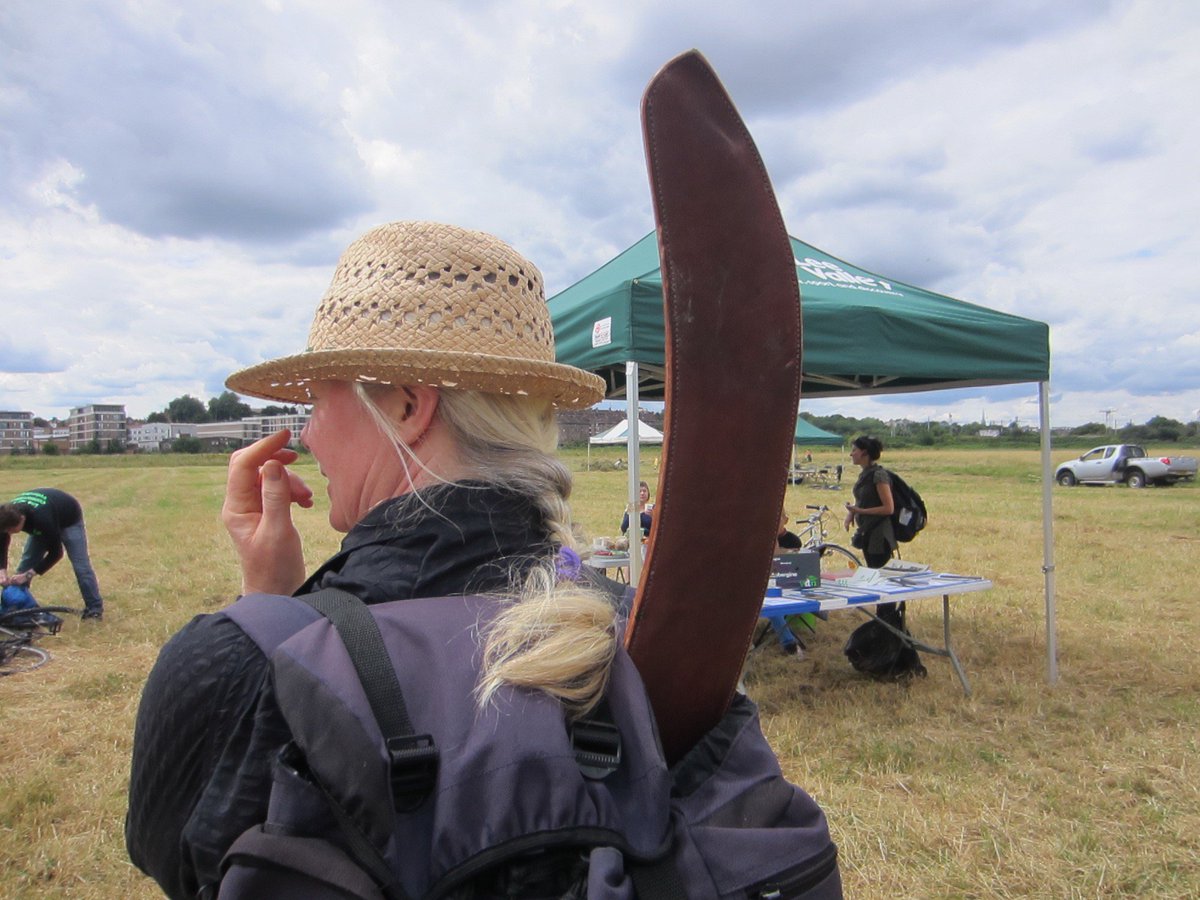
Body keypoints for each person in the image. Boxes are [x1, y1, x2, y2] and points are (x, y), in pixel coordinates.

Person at [125, 221, 616, 899]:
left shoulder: (234, 668)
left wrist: (264, 620)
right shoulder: (618, 620)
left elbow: (182, 865)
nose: (304, 433)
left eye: (319, 399)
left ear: (409, 405)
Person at [0, 488, 104, 620]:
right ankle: (17, 608)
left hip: (68, 518)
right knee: (27, 562)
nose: (8, 532)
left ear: (21, 519)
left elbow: (56, 553)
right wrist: (2, 570)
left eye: (11, 530)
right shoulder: (4, 516)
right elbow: (2, 541)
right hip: (44, 518)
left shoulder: (42, 519)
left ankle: (94, 608)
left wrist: (28, 575)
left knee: (81, 566)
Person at [843, 435, 895, 569]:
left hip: (879, 535)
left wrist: (860, 511)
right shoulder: (865, 474)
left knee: (878, 571)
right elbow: (865, 498)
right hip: (868, 531)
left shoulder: (879, 475)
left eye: (854, 450)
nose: (851, 454)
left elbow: (888, 508)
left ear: (864, 452)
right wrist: (852, 513)